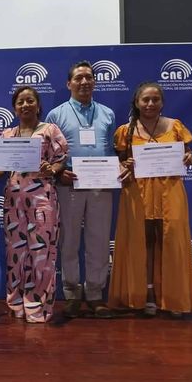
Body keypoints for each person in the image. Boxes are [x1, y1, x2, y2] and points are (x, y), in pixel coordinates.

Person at [108, 82, 192, 318]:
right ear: (137, 103)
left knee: (172, 243)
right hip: (137, 193)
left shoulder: (175, 126)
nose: (150, 104)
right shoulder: (125, 131)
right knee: (141, 244)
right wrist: (124, 164)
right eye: (145, 99)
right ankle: (146, 295)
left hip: (171, 191)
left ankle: (174, 298)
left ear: (162, 102)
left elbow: (187, 153)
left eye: (155, 99)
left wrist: (189, 157)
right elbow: (119, 161)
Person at [0, 86, 68, 323]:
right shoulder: (7, 135)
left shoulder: (50, 130)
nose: (25, 105)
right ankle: (16, 303)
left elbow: (61, 160)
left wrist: (52, 169)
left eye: (30, 100)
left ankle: (39, 305)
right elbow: (2, 167)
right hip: (14, 200)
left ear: (38, 105)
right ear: (14, 108)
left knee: (42, 253)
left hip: (42, 199)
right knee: (16, 253)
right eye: (20, 102)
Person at [45, 61, 115, 318]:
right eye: (79, 78)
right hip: (69, 184)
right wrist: (59, 172)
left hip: (101, 184)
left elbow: (110, 149)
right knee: (70, 240)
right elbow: (49, 153)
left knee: (99, 240)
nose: (84, 82)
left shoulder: (107, 113)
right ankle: (72, 293)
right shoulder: (56, 115)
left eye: (89, 77)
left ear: (94, 82)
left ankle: (95, 294)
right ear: (69, 84)